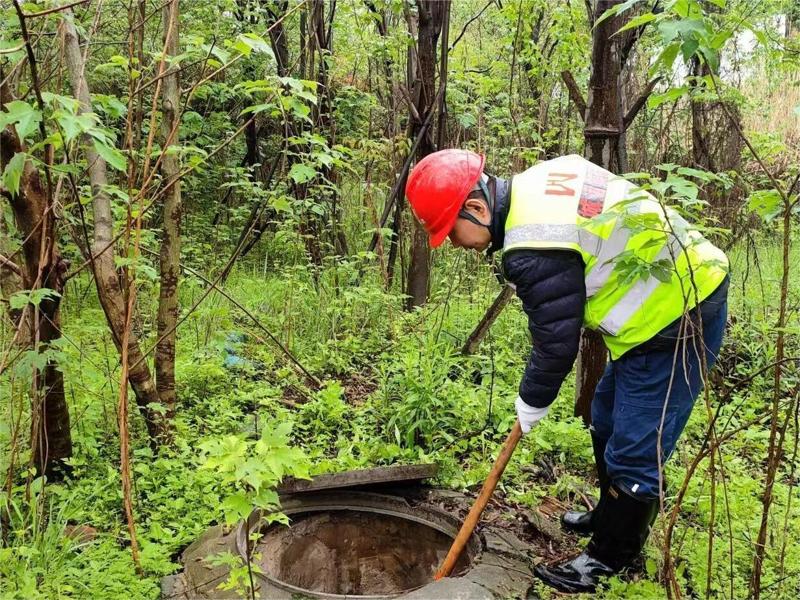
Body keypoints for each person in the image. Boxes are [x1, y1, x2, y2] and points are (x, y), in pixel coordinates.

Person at [405, 149, 729, 594]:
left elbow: (557, 344)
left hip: (680, 310)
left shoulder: (531, 243)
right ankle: (609, 515)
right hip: (660, 301)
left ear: (477, 207)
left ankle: (608, 559)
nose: (456, 245)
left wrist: (530, 402)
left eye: (452, 232)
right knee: (605, 417)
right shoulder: (539, 181)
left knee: (635, 448)